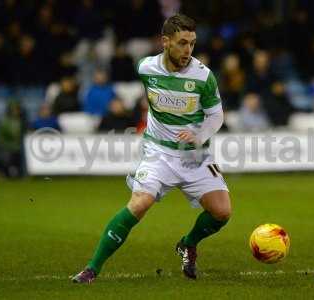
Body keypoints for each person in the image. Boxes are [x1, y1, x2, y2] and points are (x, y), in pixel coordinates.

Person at [71, 14, 231, 283]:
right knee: (139, 203)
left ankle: (187, 244)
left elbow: (217, 116)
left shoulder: (203, 76)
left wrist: (198, 134)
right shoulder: (146, 68)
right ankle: (91, 269)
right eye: (182, 43)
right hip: (159, 152)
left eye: (192, 44)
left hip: (194, 155)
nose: (188, 50)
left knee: (222, 212)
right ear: (165, 42)